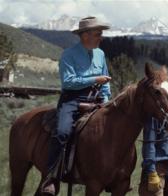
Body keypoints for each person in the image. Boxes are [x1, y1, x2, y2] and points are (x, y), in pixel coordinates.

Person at [41, 16, 112, 195]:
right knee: (63, 131)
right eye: (98, 34)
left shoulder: (100, 54)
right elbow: (68, 82)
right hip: (72, 99)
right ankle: (51, 178)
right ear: (85, 35)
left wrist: (106, 99)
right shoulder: (68, 54)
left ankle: (111, 174)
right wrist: (95, 79)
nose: (101, 37)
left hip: (96, 99)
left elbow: (106, 79)